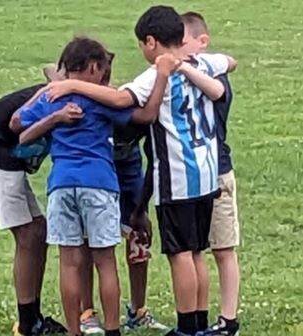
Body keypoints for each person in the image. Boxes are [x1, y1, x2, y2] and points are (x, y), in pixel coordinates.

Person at [45, 6, 236, 336]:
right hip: (207, 171)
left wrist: (71, 86)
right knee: (197, 252)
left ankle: (188, 326)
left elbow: (120, 100)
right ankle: (201, 321)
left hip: (178, 175)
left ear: (151, 42)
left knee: (180, 254)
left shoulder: (154, 75)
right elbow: (230, 62)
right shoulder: (203, 62)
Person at [16, 36, 179, 336]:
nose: (104, 76)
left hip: (61, 185)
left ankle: (75, 329)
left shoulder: (53, 97)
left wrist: (52, 112)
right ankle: (113, 329)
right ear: (93, 67)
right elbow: (146, 115)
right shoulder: (101, 99)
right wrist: (161, 80)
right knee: (105, 261)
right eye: (102, 69)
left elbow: (18, 126)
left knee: (69, 262)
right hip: (99, 184)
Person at [0, 67, 76, 335]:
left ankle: (33, 316)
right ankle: (27, 323)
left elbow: (52, 68)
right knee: (28, 235)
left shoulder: (65, 87)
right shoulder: (53, 94)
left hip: (9, 159)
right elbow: (50, 70)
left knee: (38, 230)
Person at [181, 12, 240, 336]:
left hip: (218, 170)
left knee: (223, 248)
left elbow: (221, 78)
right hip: (193, 175)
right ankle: (199, 315)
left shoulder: (212, 74)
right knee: (196, 248)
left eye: (183, 42)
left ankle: (228, 319)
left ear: (202, 43)